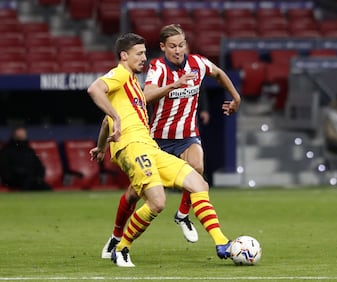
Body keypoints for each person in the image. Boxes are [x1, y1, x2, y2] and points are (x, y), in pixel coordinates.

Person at [87, 32, 234, 267]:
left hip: (149, 146)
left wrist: (101, 146)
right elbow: (94, 89)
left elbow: (107, 123)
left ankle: (221, 242)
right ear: (124, 56)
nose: (144, 58)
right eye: (139, 53)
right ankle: (122, 248)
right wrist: (114, 115)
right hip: (132, 147)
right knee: (157, 202)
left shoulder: (133, 83)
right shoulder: (119, 74)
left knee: (199, 183)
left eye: (145, 53)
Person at [0, 126, 52, 191]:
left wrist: (39, 178)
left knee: (46, 188)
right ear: (13, 135)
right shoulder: (6, 151)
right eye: (19, 136)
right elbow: (4, 170)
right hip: (15, 181)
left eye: (22, 135)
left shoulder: (29, 151)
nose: (21, 137)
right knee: (28, 184)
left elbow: (39, 167)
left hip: (31, 180)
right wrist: (15, 177)